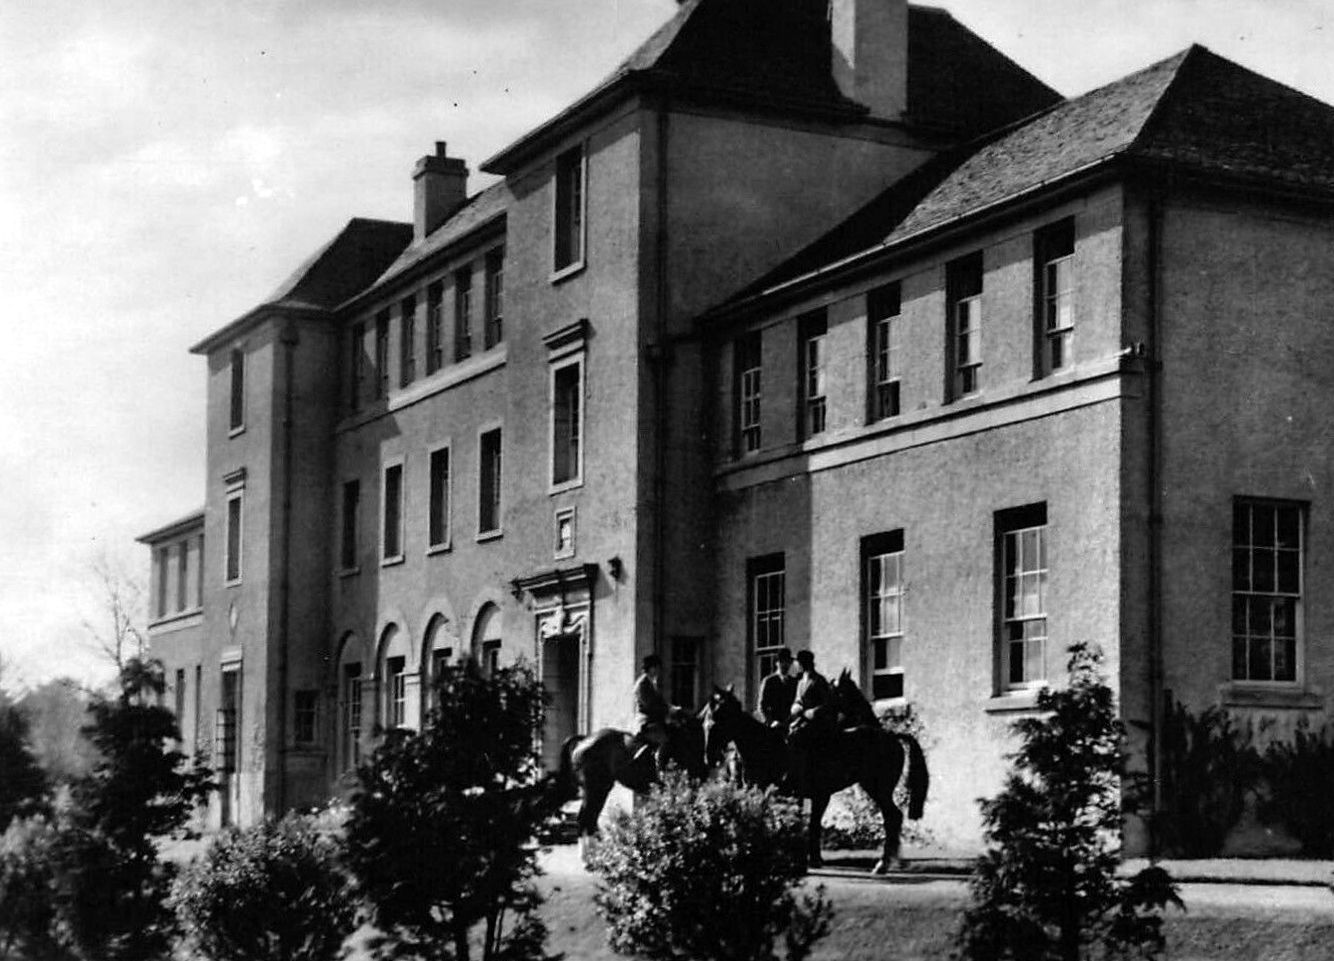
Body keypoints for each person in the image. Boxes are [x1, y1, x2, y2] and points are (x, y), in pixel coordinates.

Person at [787, 649, 831, 794]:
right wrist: (796, 707)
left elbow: (828, 704)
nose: (797, 665)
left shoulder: (819, 680)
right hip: (801, 720)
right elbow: (798, 700)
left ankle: (804, 775)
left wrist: (813, 712)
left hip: (818, 723)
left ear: (805, 663)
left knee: (798, 737)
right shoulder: (800, 682)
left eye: (798, 663)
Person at [632, 654, 675, 770]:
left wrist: (672, 708)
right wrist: (668, 711)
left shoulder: (651, 683)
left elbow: (660, 702)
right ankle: (659, 768)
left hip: (654, 720)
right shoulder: (642, 684)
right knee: (664, 741)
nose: (658, 671)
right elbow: (650, 705)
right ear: (650, 668)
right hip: (646, 721)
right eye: (656, 668)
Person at [757, 647, 796, 728]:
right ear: (776, 663)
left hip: (790, 725)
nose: (785, 665)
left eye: (787, 662)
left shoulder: (794, 682)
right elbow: (761, 706)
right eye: (781, 662)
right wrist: (771, 722)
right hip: (773, 726)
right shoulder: (769, 681)